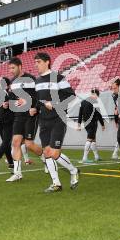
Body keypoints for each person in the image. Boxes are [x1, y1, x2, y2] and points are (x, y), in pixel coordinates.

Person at [34, 52, 79, 192]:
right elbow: (37, 100)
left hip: (58, 119)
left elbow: (71, 96)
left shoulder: (58, 78)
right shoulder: (37, 81)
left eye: (39, 62)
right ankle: (56, 183)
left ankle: (73, 171)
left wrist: (56, 104)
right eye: (35, 62)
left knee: (54, 153)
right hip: (43, 120)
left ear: (47, 62)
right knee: (47, 152)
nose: (36, 64)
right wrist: (34, 106)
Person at [6, 57, 45, 182]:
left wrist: (35, 107)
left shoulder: (32, 79)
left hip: (31, 114)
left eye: (13, 68)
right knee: (16, 142)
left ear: (20, 66)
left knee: (29, 144)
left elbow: (40, 96)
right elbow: (13, 100)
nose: (11, 71)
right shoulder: (12, 83)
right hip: (19, 116)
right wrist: (8, 103)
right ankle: (17, 173)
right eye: (9, 68)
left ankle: (47, 161)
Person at [77, 88, 105, 163]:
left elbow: (80, 114)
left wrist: (79, 124)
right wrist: (102, 124)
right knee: (90, 139)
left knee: (93, 140)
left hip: (85, 123)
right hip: (93, 123)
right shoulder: (95, 102)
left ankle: (97, 156)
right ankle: (84, 158)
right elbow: (98, 114)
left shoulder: (83, 102)